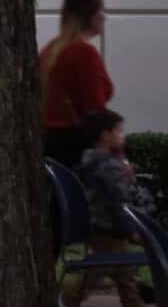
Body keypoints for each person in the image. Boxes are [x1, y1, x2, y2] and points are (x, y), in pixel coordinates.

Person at [62, 109, 146, 307]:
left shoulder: (88, 160)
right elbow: (118, 201)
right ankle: (64, 300)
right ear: (105, 135)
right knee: (100, 274)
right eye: (119, 131)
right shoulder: (109, 166)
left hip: (99, 229)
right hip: (110, 231)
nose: (122, 136)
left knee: (125, 276)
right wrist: (133, 231)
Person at [40, 0, 113, 168]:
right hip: (77, 148)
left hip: (50, 142)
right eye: (101, 9)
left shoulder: (50, 50)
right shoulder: (85, 52)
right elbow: (96, 110)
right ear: (89, 15)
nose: (105, 16)